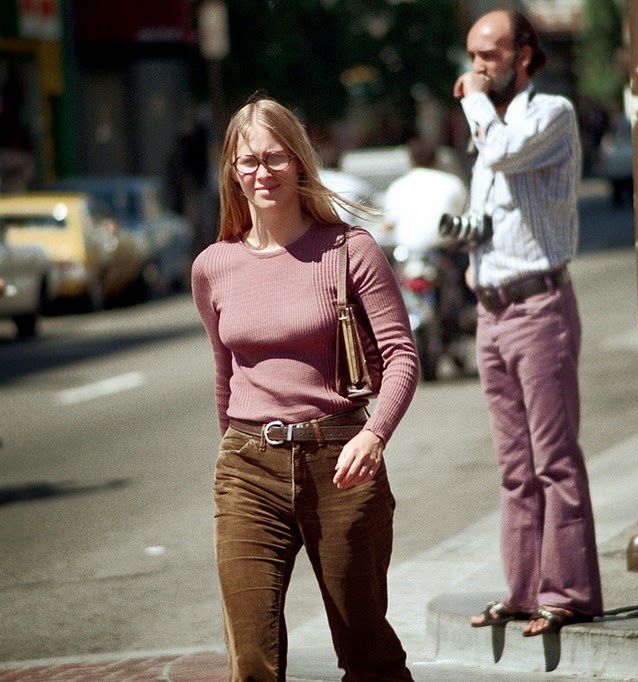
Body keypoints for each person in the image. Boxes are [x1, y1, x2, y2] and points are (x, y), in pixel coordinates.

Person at [191, 95, 419, 681]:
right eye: (249, 162)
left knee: (366, 652)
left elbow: (401, 357)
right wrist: (233, 448)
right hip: (248, 468)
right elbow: (226, 372)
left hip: (342, 461)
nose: (262, 172)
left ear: (298, 161)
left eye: (275, 157)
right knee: (253, 661)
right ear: (233, 172)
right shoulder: (213, 266)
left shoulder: (349, 250)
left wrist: (373, 435)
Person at [451, 10, 603, 636]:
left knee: (553, 459)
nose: (478, 67)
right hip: (492, 311)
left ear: (524, 55)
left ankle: (566, 592)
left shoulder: (551, 115)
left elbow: (510, 154)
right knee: (514, 465)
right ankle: (521, 591)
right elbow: (492, 212)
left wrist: (478, 105)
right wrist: (474, 261)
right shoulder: (488, 131)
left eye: (490, 54)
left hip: (540, 309)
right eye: (473, 55)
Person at [382, 138, 476, 373]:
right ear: (436, 159)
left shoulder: (397, 186)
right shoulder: (452, 183)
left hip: (407, 254)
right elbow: (463, 220)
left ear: (410, 160)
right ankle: (469, 315)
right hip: (440, 252)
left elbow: (387, 225)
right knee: (467, 282)